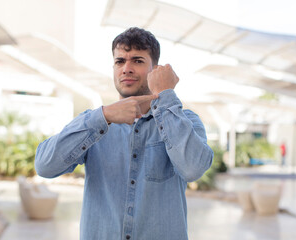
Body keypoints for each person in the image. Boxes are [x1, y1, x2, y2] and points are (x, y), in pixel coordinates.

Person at [35, 27, 213, 240]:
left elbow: (193, 168)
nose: (126, 68)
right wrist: (104, 116)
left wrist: (166, 95)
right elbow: (44, 166)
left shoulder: (186, 122)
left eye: (137, 61)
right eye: (120, 61)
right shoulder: (93, 123)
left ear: (154, 70)